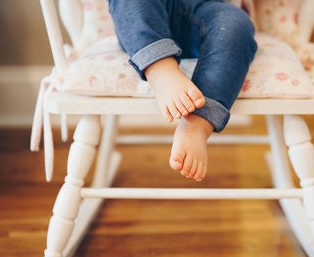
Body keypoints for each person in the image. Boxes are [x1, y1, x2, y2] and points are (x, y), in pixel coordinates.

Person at [108, 0, 257, 181]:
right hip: (146, 20)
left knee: (236, 25)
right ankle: (160, 70)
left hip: (211, 9)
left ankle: (198, 123)